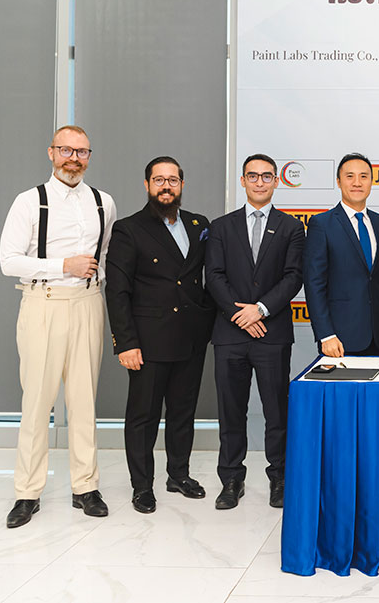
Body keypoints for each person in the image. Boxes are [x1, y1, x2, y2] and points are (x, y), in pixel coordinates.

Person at [0, 125, 116, 528]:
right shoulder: (29, 201)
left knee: (84, 400)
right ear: (51, 153)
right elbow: (8, 261)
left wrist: (92, 281)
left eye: (81, 152)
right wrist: (63, 266)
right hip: (42, 304)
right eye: (66, 150)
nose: (73, 159)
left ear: (89, 157)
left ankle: (86, 487)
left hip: (88, 304)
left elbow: (106, 255)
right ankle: (27, 493)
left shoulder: (104, 202)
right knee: (37, 402)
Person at [105, 156, 215, 514]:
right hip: (148, 341)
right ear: (147, 185)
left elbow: (208, 277)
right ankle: (142, 486)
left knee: (183, 412)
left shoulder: (199, 224)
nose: (166, 186)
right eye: (159, 180)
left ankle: (178, 475)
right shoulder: (128, 229)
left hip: (191, 338)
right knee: (144, 416)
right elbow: (117, 291)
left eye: (172, 180)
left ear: (182, 185)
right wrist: (126, 342)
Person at [206, 154, 305, 509]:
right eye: (253, 176)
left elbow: (293, 276)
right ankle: (231, 479)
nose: (259, 182)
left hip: (272, 333)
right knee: (231, 411)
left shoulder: (292, 227)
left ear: (276, 180)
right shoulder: (221, 226)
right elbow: (213, 275)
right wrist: (240, 313)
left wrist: (260, 309)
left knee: (277, 411)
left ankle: (279, 478)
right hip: (230, 333)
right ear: (243, 180)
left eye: (266, 176)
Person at [303, 152, 379, 357]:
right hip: (338, 340)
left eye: (363, 176)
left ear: (371, 181)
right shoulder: (322, 224)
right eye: (350, 176)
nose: (357, 183)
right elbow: (314, 284)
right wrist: (325, 335)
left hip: (377, 338)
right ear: (338, 181)